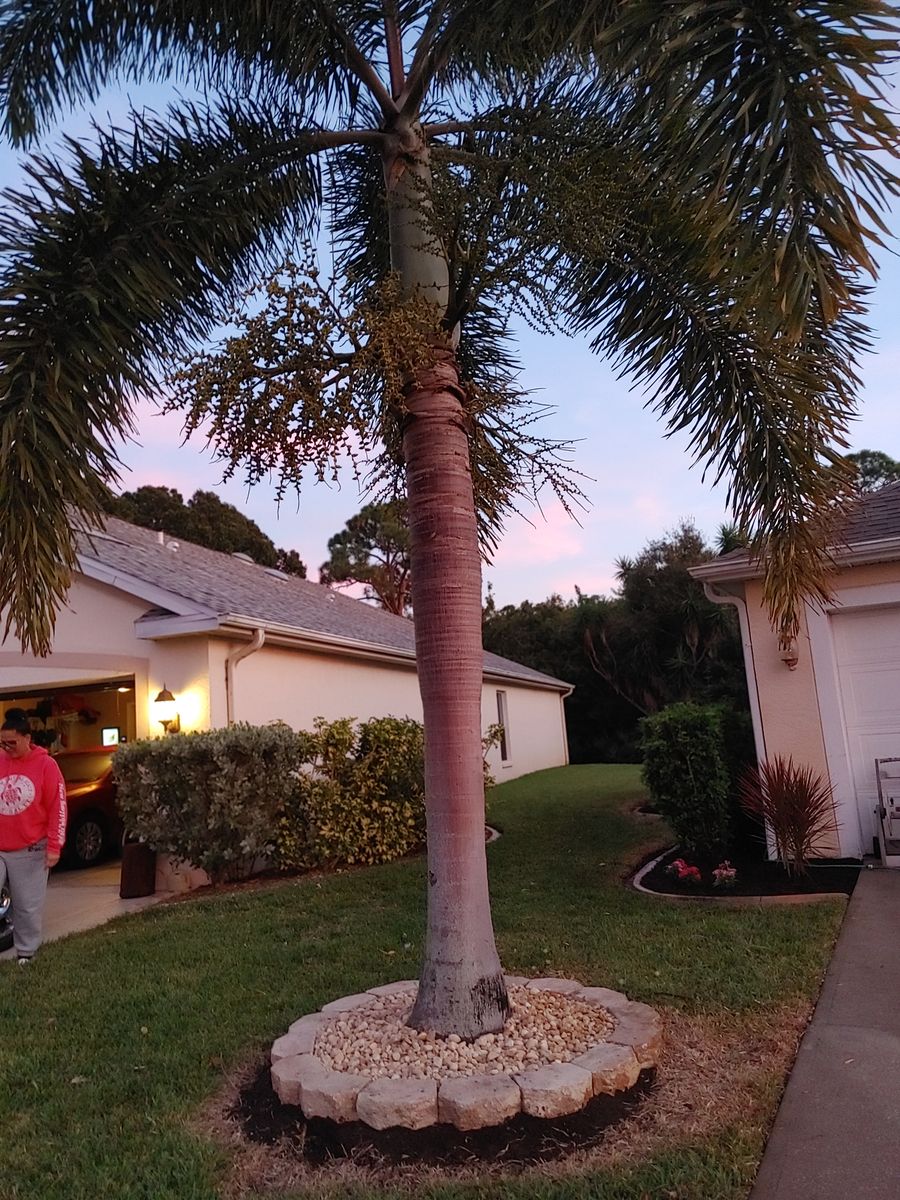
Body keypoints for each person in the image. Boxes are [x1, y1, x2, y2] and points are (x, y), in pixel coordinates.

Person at [0, 709, 67, 964]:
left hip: (30, 848)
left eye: (12, 743)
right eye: (2, 743)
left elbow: (57, 806)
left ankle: (26, 953)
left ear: (28, 738)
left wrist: (54, 846)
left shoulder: (46, 765)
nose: (6, 748)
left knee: (27, 905)